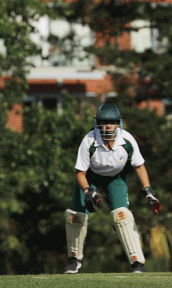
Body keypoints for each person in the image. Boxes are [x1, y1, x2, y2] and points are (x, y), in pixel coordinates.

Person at [64, 103, 162, 274]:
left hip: (115, 177)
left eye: (111, 122)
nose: (107, 126)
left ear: (118, 123)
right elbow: (80, 173)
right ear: (97, 124)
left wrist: (149, 191)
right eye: (103, 122)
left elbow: (139, 166)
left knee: (122, 215)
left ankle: (138, 263)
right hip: (90, 177)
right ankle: (74, 259)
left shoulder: (127, 140)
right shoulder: (89, 140)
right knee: (76, 216)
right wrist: (88, 191)